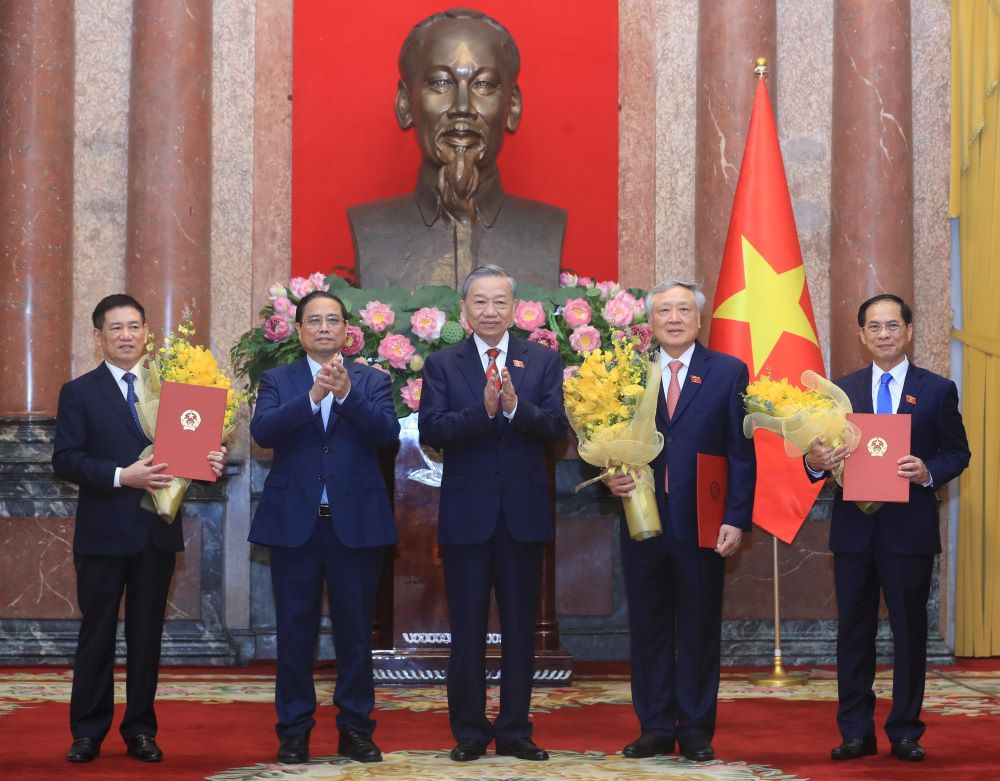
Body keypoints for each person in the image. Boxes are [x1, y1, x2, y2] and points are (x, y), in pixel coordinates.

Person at [53, 294, 225, 764]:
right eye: (116, 328)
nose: (126, 336)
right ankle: (87, 733)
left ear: (147, 333)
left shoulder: (173, 389)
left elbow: (187, 456)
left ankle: (141, 731)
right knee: (97, 634)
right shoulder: (79, 392)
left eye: (134, 327)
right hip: (102, 533)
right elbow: (64, 459)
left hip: (155, 531)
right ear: (98, 336)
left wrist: (210, 462)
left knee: (147, 637)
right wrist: (119, 476)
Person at [805, 293, 970, 763]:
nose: (883, 334)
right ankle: (855, 732)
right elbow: (814, 459)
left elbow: (958, 452)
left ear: (909, 331)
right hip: (854, 532)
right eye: (874, 327)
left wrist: (928, 470)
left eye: (892, 325)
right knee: (853, 633)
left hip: (908, 532)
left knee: (909, 631)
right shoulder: (840, 392)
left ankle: (905, 731)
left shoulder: (937, 390)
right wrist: (815, 461)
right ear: (861, 335)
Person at [418, 264, 568, 762]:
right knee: (467, 630)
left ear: (515, 308)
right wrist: (482, 412)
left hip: (522, 515)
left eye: (499, 301)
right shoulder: (443, 364)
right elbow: (432, 430)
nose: (489, 310)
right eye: (479, 301)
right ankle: (469, 731)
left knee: (521, 630)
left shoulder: (542, 360)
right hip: (467, 515)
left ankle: (515, 731)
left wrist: (514, 408)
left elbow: (556, 429)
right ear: (463, 309)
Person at [603, 280, 756, 762]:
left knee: (698, 627)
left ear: (699, 318)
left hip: (704, 521)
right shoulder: (628, 373)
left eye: (683, 310)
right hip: (643, 519)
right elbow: (607, 440)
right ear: (650, 321)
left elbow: (741, 453)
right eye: (664, 311)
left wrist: (736, 518)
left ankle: (694, 730)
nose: (674, 318)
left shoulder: (728, 372)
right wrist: (609, 477)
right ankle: (653, 727)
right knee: (648, 627)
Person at [249, 290, 400, 765]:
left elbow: (388, 436)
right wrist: (314, 397)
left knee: (355, 634)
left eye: (332, 320)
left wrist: (346, 396)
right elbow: (263, 432)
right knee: (296, 633)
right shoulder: (278, 379)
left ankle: (356, 729)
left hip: (357, 525)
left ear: (347, 330)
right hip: (295, 524)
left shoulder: (372, 380)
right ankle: (294, 731)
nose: (323, 328)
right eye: (313, 320)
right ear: (298, 331)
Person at [348, 8, 565, 289]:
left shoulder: (546, 228)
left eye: (483, 84)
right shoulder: (371, 229)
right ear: (405, 104)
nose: (462, 107)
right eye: (441, 83)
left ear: (512, 107)